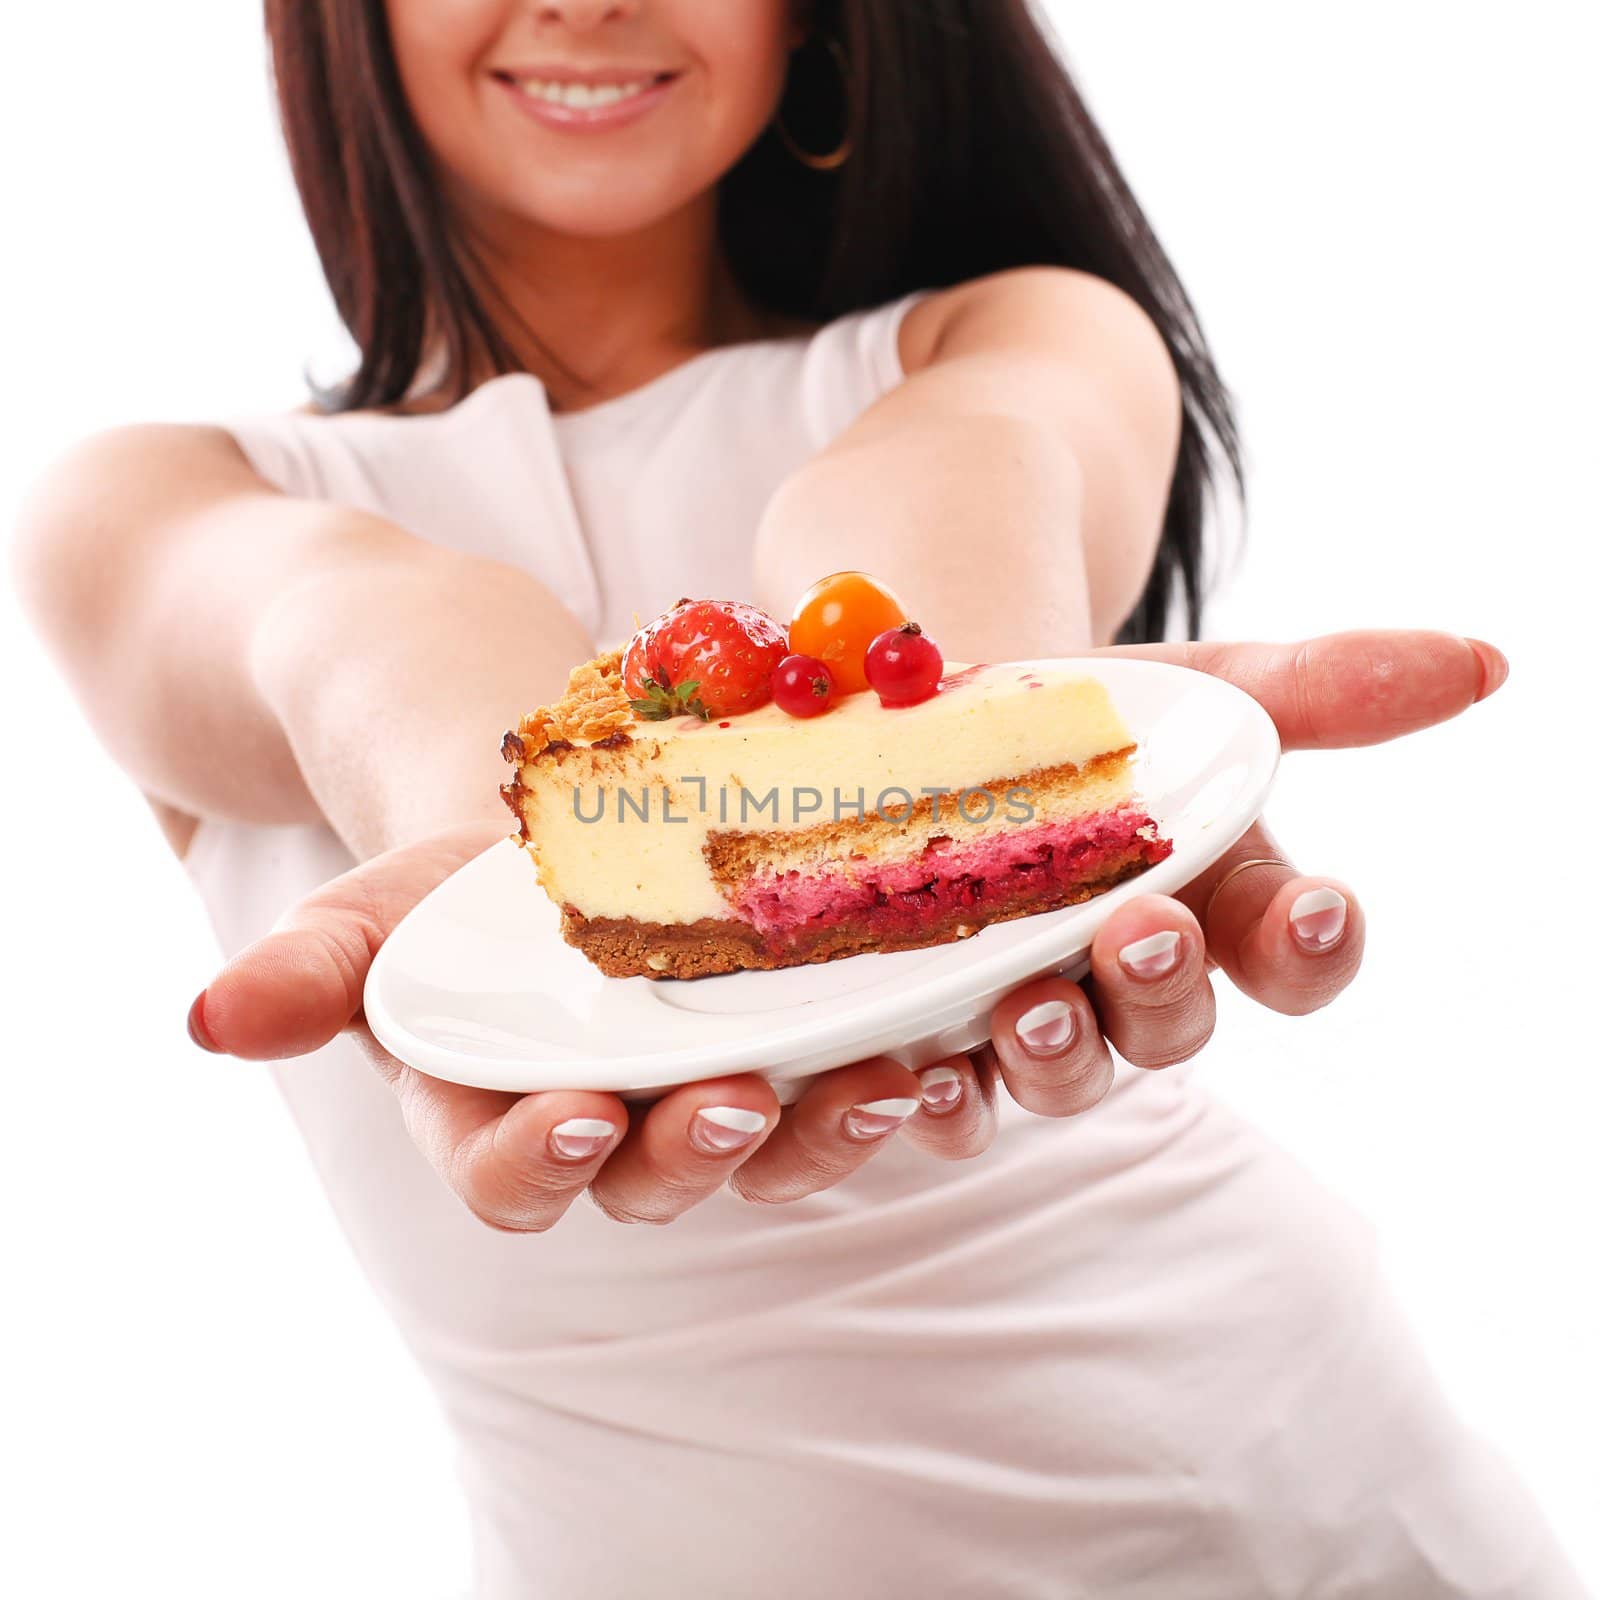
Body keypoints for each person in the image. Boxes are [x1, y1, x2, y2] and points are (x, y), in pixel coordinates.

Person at [14, 2, 1584, 1595]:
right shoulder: (147, 506)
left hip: (1304, 1500)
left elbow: (948, 490)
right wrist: (542, 889)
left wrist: (945, 794)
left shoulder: (1015, 334)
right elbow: (347, 622)